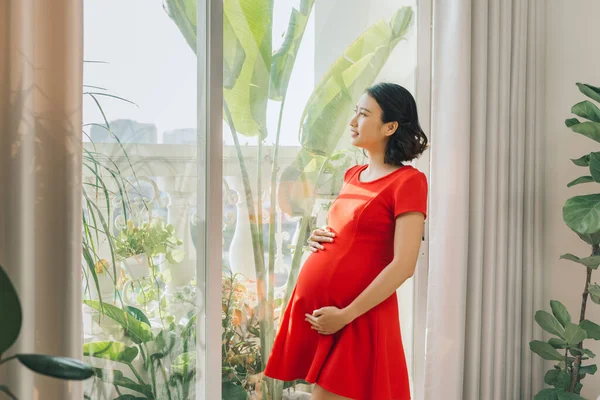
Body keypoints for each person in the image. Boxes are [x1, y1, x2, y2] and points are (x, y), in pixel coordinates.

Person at [264, 82, 429, 400]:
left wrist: (347, 314)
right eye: (355, 111)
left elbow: (404, 265)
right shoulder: (352, 175)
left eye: (364, 114)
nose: (353, 121)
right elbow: (356, 234)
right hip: (327, 315)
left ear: (390, 126)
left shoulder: (409, 182)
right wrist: (322, 237)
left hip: (359, 316)